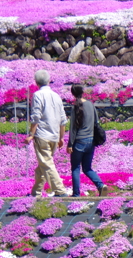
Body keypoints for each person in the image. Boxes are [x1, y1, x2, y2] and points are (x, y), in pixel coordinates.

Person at [27, 69, 68, 198]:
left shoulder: (37, 95)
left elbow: (36, 116)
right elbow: (63, 119)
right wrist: (61, 137)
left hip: (42, 135)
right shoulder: (56, 96)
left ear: (36, 82)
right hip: (54, 136)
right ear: (49, 81)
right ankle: (36, 192)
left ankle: (60, 190)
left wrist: (31, 134)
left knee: (46, 163)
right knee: (43, 164)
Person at [67, 85, 105, 197]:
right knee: (87, 168)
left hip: (79, 141)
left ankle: (76, 194)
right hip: (91, 140)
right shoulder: (90, 104)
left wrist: (70, 144)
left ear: (72, 94)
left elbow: (73, 128)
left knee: (75, 168)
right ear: (83, 92)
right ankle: (101, 186)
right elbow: (96, 123)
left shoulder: (75, 107)